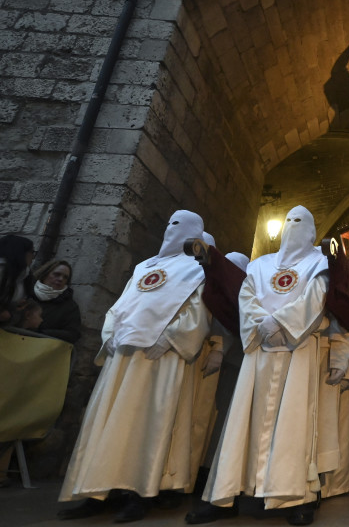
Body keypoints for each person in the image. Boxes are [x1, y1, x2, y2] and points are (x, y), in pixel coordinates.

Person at [57, 210, 218, 522]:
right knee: (106, 422)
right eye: (169, 223)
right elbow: (119, 305)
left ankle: (139, 493)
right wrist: (111, 335)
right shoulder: (144, 266)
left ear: (195, 234)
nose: (172, 229)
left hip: (161, 359)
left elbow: (199, 312)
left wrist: (170, 339)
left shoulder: (197, 269)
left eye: (181, 226)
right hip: (124, 355)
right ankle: (95, 491)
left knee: (148, 425)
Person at [187, 206, 331, 526]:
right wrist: (261, 326)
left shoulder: (320, 263)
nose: (292, 226)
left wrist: (280, 322)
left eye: (300, 222)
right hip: (261, 349)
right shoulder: (260, 264)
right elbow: (246, 296)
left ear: (311, 232)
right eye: (289, 221)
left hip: (298, 347)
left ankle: (296, 497)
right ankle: (226, 495)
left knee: (295, 422)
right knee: (243, 421)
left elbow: (315, 297)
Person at [30, 259, 81, 343]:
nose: (61, 279)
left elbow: (73, 334)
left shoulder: (70, 307)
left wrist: (40, 333)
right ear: (45, 274)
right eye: (57, 274)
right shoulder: (27, 291)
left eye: (65, 277)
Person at [0, 235, 35, 325]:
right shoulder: (2, 270)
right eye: (32, 252)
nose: (33, 257)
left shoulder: (23, 275)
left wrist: (14, 306)